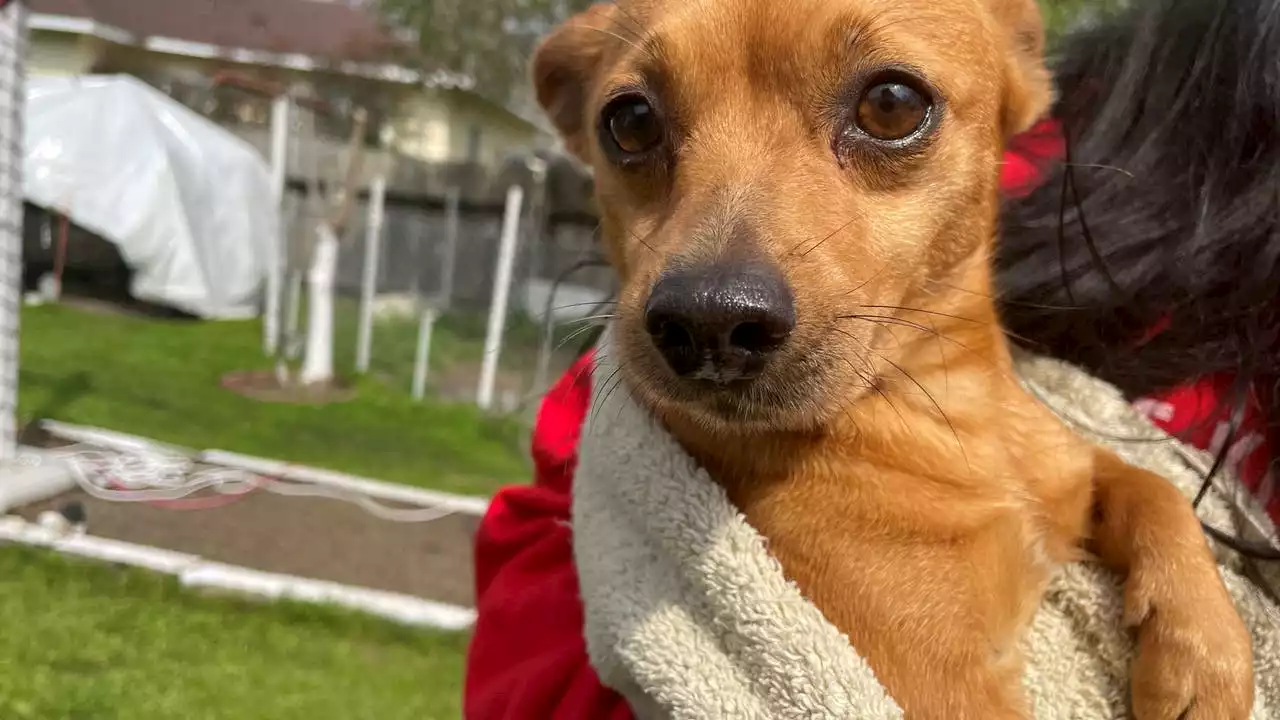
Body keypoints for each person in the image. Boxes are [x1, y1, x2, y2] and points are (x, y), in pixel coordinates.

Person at [464, 0, 1279, 715]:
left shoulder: (1004, 405)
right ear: (578, 125)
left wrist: (1161, 533)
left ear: (1016, 72)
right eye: (638, 127)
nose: (714, 288)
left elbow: (1084, 478)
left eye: (887, 112)